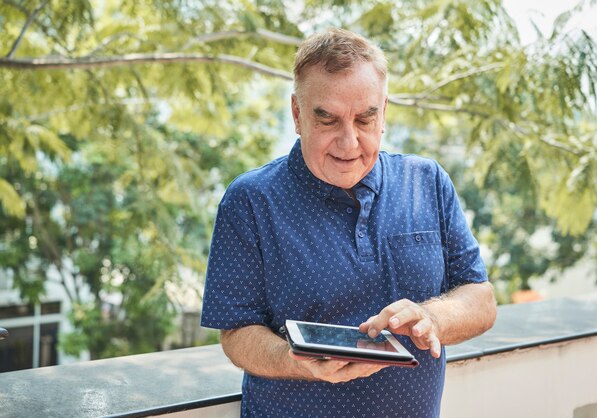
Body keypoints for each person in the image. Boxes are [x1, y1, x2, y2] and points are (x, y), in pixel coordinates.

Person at [201, 28, 497, 417]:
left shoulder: (427, 181)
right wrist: (296, 361)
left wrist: (432, 317)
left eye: (364, 119)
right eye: (327, 120)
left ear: (384, 113)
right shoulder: (251, 200)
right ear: (297, 114)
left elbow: (481, 299)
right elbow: (236, 333)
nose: (349, 143)